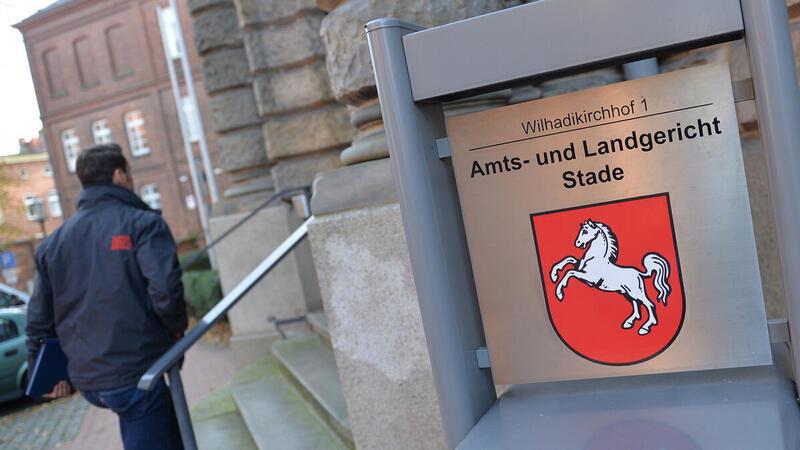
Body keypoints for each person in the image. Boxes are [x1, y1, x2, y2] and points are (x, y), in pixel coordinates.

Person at [26, 143, 187, 450]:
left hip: (89, 379)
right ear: (119, 176)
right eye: (129, 174)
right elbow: (166, 290)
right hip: (136, 371)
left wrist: (42, 370)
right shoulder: (143, 224)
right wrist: (176, 333)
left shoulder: (52, 244)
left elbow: (39, 318)